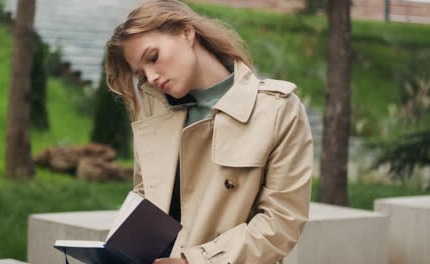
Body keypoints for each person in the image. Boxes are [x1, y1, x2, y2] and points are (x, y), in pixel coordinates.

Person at [105, 0, 313, 263]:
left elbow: (281, 223)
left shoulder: (276, 110)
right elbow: (146, 198)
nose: (152, 77)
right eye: (142, 73)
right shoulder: (155, 112)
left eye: (153, 57)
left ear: (186, 32)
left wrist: (195, 261)